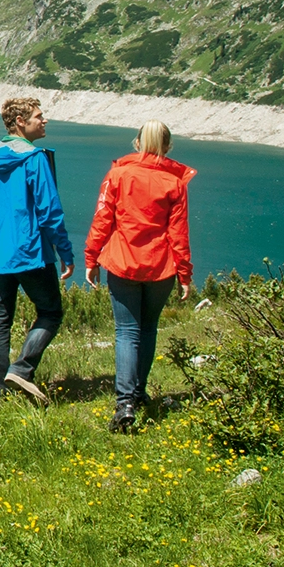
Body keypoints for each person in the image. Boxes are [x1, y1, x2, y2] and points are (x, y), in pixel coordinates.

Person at [83, 120, 195, 433]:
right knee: (148, 330)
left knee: (126, 332)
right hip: (161, 267)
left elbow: (103, 219)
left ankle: (125, 403)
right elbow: (179, 233)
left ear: (137, 142)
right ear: (168, 146)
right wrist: (184, 273)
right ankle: (139, 392)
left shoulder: (118, 174)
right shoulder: (175, 183)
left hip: (122, 262)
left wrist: (91, 258)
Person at [0, 96, 73, 405]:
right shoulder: (34, 158)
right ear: (20, 122)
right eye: (39, 117)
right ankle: (22, 369)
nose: (45, 121)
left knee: (0, 317)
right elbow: (49, 210)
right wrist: (65, 252)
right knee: (51, 312)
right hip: (30, 252)